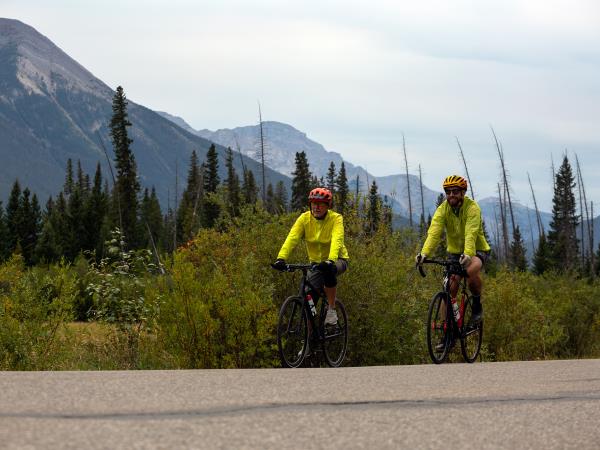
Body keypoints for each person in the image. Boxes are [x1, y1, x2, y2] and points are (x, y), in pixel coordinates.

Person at [415, 175, 490, 323]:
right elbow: (434, 233)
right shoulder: (443, 209)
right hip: (455, 253)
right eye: (448, 192)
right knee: (448, 290)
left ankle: (476, 305)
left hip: (476, 250)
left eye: (455, 191)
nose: (451, 195)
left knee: (469, 272)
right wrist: (424, 253)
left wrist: (468, 254)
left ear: (463, 192)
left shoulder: (472, 208)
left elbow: (471, 232)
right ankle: (447, 332)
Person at [272, 187, 349, 326]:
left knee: (328, 270)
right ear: (310, 204)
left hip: (338, 260)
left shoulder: (336, 219)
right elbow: (292, 238)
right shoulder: (304, 219)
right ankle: (310, 340)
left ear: (328, 206)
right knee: (308, 301)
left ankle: (331, 309)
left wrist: (330, 260)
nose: (316, 207)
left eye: (321, 204)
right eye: (313, 203)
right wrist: (281, 258)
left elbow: (337, 240)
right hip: (315, 264)